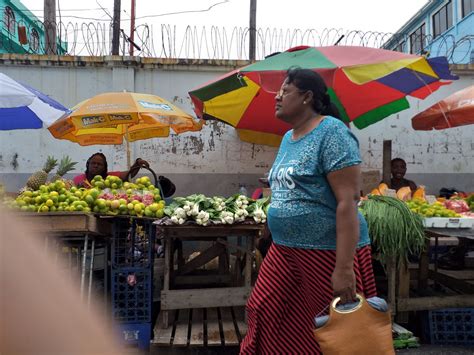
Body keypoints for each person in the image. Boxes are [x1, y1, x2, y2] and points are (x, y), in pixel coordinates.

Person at [240, 68, 377, 354]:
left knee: (335, 329)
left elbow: (348, 201)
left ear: (307, 97)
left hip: (325, 251)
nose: (277, 97)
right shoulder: (288, 137)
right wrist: (270, 228)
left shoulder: (333, 133)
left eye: (285, 90)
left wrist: (343, 269)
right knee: (265, 309)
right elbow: (285, 189)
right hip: (285, 249)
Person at [73, 152, 149, 188]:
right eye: (93, 163)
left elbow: (129, 174)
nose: (95, 166)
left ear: (104, 167)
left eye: (99, 164)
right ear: (88, 164)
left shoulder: (110, 178)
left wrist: (137, 163)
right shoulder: (78, 179)